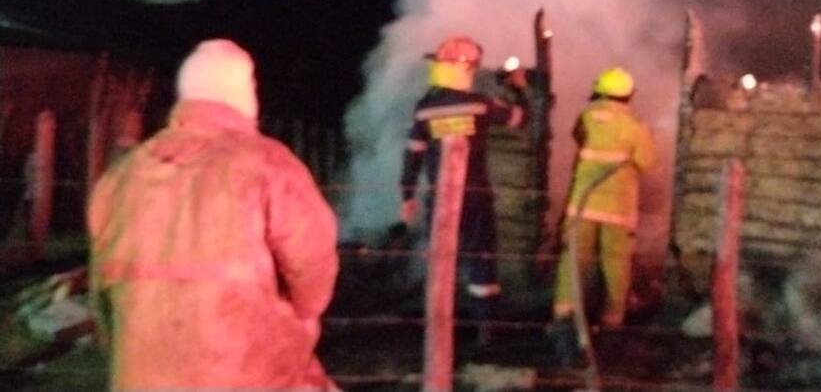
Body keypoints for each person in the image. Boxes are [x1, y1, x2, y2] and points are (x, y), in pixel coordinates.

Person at [87, 39, 340, 391]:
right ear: (243, 95)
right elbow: (313, 276)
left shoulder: (121, 175)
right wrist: (299, 316)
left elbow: (100, 293)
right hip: (248, 374)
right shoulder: (268, 163)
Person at [398, 35, 527, 342]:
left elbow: (413, 153)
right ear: (466, 69)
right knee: (481, 258)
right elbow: (519, 119)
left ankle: (439, 326)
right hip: (476, 198)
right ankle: (486, 327)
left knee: (442, 259)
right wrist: (518, 88)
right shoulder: (479, 104)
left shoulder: (424, 108)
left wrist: (407, 195)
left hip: (440, 198)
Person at [549, 66, 656, 358]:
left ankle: (564, 322)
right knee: (615, 266)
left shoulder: (585, 117)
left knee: (572, 264)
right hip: (618, 211)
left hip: (581, 206)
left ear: (599, 90)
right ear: (629, 95)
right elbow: (647, 163)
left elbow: (579, 138)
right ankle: (611, 326)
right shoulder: (635, 127)